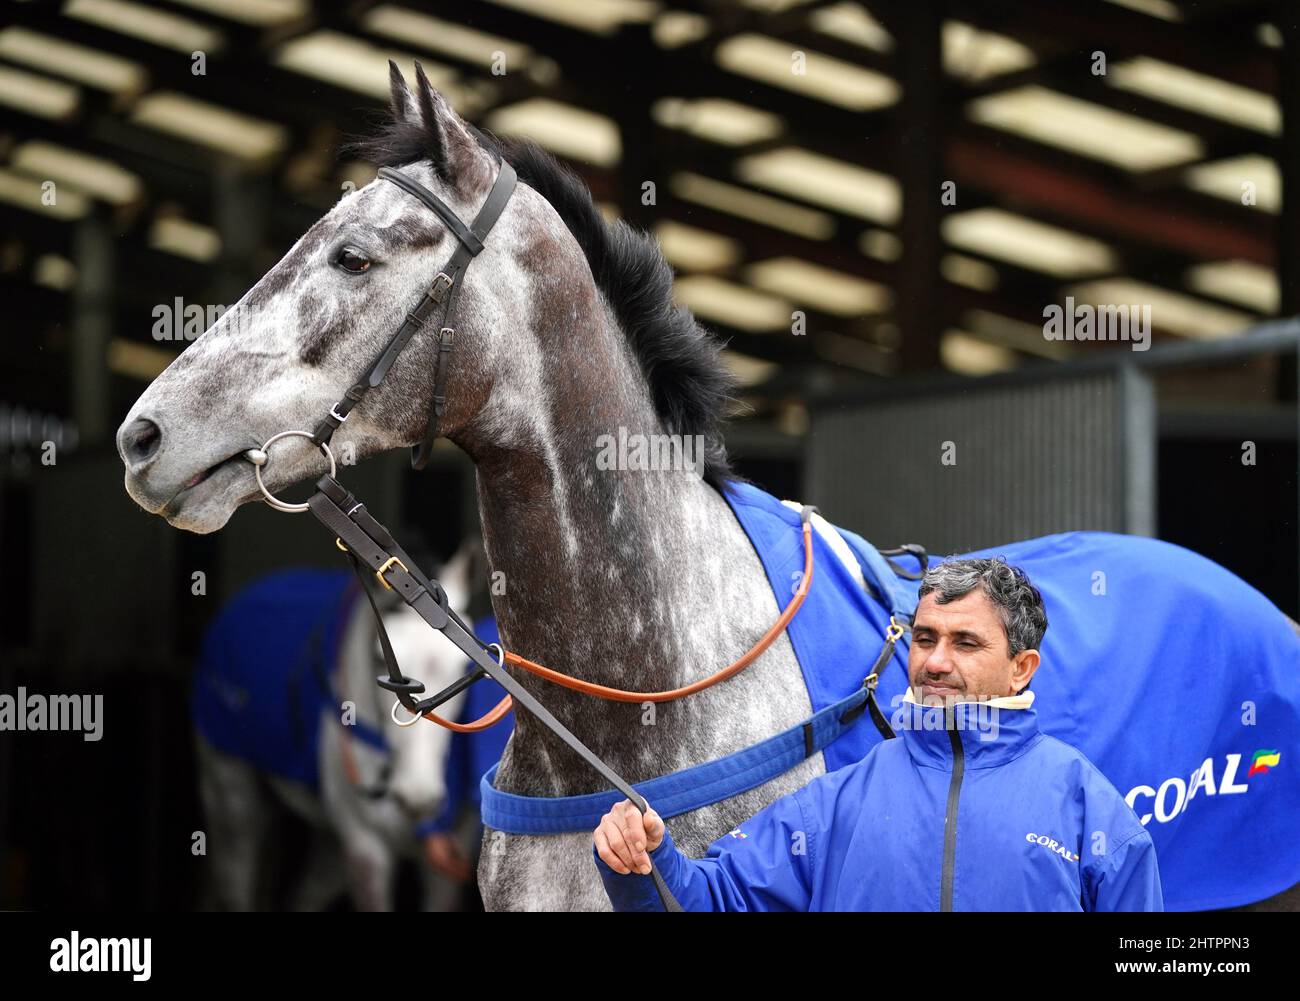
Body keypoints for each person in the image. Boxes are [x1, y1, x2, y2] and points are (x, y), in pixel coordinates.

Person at [592, 558, 1163, 911]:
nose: (936, 662)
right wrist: (644, 860)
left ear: (1022, 667)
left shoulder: (1089, 809)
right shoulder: (836, 803)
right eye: (924, 638)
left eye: (965, 643)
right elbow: (710, 902)